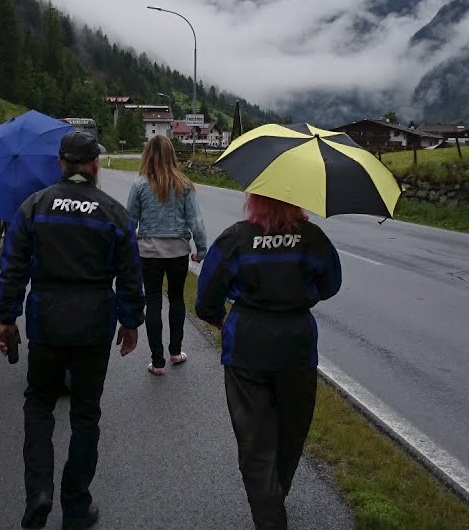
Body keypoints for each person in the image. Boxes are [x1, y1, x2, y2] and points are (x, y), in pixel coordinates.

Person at [0, 130, 145, 530]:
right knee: (85, 416)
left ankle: (38, 494)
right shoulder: (114, 213)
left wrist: (5, 317)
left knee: (39, 405)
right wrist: (131, 322)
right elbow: (131, 275)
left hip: (46, 320)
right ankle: (76, 506)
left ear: (61, 164)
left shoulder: (34, 206)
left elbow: (12, 268)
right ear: (94, 165)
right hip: (94, 324)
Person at [195, 193, 342, 530]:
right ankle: (274, 500)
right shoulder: (313, 238)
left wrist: (220, 317)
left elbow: (206, 297)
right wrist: (296, 295)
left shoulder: (236, 237)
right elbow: (330, 284)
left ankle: (268, 510)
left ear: (254, 198)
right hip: (297, 346)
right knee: (292, 433)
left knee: (254, 441)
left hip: (247, 346)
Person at [126, 134, 207, 375]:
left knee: (152, 302)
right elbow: (196, 221)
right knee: (177, 299)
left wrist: (128, 252)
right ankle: (175, 351)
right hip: (178, 252)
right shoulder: (184, 184)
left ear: (147, 155)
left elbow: (129, 221)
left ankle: (157, 361)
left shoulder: (139, 185)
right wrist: (201, 250)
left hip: (148, 253)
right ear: (172, 155)